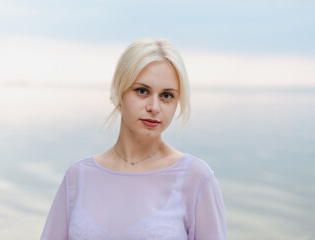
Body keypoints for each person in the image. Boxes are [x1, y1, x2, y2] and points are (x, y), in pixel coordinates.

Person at [40, 38, 227, 240]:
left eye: (166, 95)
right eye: (142, 91)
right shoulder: (78, 178)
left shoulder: (196, 178)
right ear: (120, 92)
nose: (154, 107)